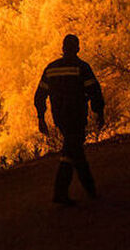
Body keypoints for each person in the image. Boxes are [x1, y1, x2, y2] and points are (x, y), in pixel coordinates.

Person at [34, 34, 105, 205]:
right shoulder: (81, 67)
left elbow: (39, 96)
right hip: (77, 115)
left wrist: (41, 118)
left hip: (60, 117)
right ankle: (61, 192)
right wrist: (99, 113)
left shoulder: (50, 69)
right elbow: (94, 91)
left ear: (63, 48)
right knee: (71, 151)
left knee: (74, 149)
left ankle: (90, 189)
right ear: (77, 48)